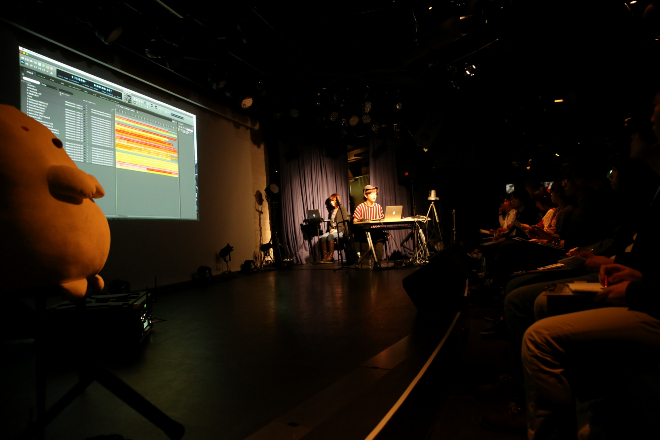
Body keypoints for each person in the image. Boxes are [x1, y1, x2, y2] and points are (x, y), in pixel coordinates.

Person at [353, 185, 385, 264]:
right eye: (371, 194)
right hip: (365, 232)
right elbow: (354, 221)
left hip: (377, 231)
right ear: (366, 195)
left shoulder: (378, 207)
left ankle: (378, 262)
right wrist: (360, 220)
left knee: (381, 236)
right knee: (379, 235)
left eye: (375, 194)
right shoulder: (360, 207)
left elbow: (382, 219)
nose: (374, 196)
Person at [319, 193, 350, 263]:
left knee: (330, 236)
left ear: (337, 201)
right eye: (330, 201)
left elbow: (345, 223)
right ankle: (325, 256)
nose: (331, 202)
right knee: (323, 237)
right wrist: (331, 229)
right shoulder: (332, 211)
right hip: (333, 230)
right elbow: (330, 223)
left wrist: (337, 230)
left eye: (332, 200)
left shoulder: (342, 209)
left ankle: (330, 257)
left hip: (341, 231)